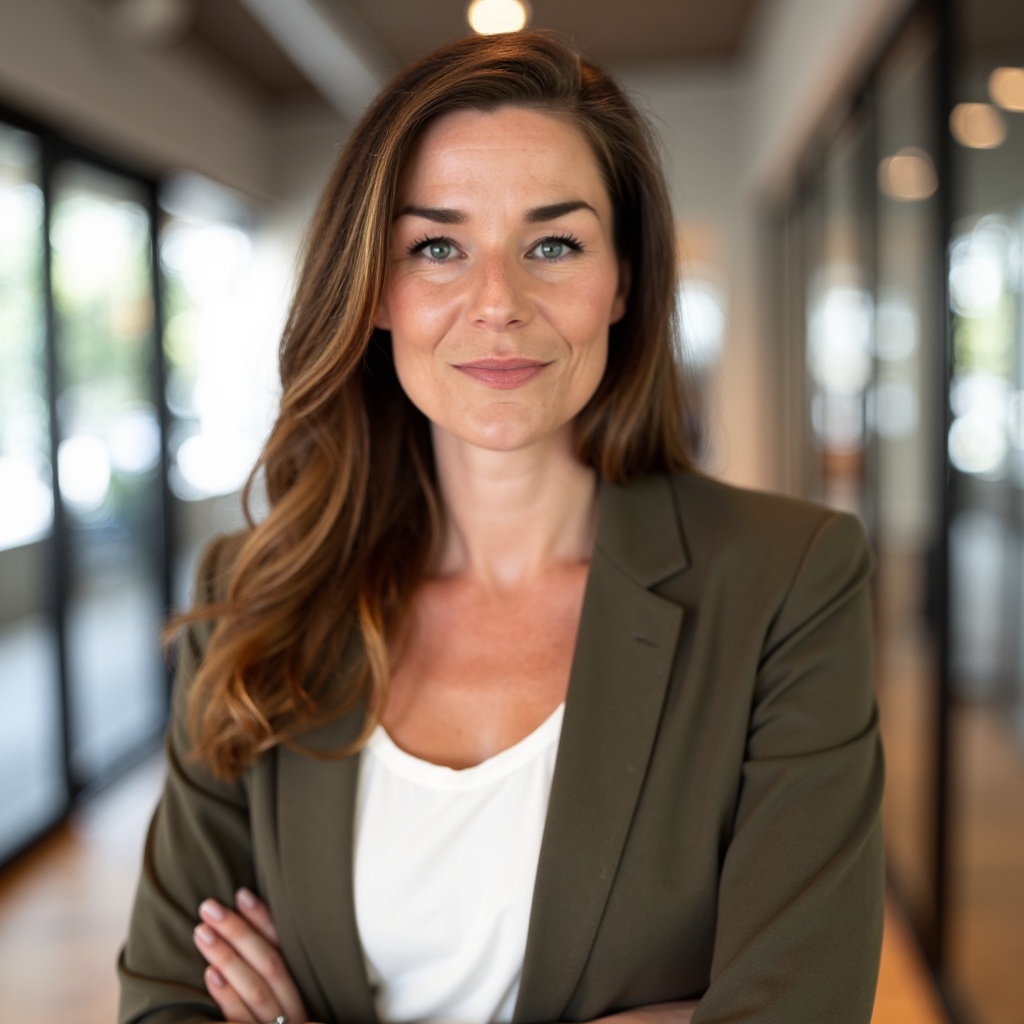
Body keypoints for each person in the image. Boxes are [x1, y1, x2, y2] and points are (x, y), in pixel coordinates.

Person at [117, 29, 884, 1024]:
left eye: (553, 244)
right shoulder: (254, 594)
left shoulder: (786, 579)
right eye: (437, 246)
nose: (497, 304)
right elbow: (167, 1000)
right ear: (376, 289)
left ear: (623, 280)